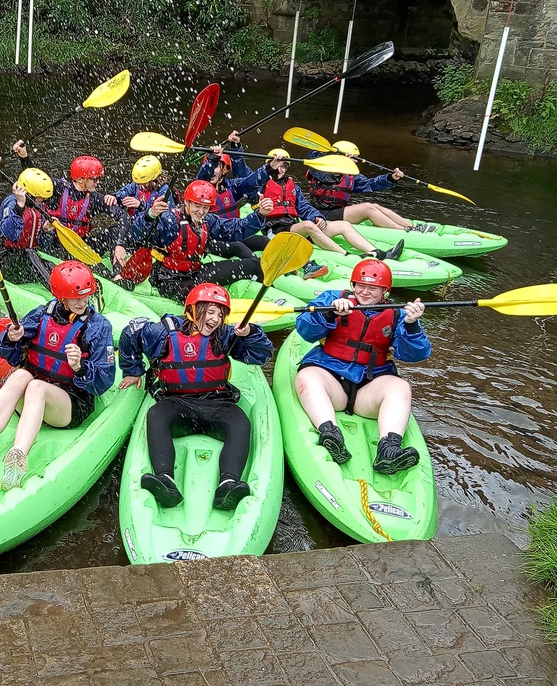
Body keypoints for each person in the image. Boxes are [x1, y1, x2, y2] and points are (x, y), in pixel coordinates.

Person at [0, 261, 116, 491]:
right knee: (19, 376)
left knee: (36, 387)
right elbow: (11, 355)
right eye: (76, 298)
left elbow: (104, 381)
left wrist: (79, 366)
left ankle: (18, 458)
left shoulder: (98, 326)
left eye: (86, 296)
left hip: (68, 405)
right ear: (61, 297)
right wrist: (12, 337)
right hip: (32, 398)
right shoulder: (43, 314)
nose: (82, 302)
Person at [118, 283, 272, 510]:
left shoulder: (226, 336)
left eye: (220, 314)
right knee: (156, 414)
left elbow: (261, 355)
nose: (215, 319)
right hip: (176, 404)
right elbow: (131, 333)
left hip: (217, 404)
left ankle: (228, 484)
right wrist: (133, 370)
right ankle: (165, 481)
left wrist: (250, 334)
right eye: (210, 312)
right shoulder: (163, 333)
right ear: (193, 309)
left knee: (240, 421)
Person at [293, 258, 430, 474]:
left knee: (401, 387)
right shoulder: (333, 299)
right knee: (307, 377)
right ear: (353, 284)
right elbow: (305, 330)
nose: (365, 292)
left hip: (368, 388)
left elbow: (415, 354)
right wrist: (330, 313)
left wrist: (412, 326)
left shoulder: (398, 314)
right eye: (360, 285)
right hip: (331, 379)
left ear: (385, 290)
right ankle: (330, 434)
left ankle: (389, 450)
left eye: (373, 288)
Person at [256, 149, 404, 278]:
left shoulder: (293, 186)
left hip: (296, 226)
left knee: (344, 225)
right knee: (309, 225)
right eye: (278, 165)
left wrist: (316, 217)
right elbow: (243, 175)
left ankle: (378, 253)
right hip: (274, 230)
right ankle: (348, 257)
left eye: (285, 165)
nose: (281, 169)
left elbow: (305, 207)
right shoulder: (259, 184)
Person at [129, 179, 270, 300]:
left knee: (253, 264)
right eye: (197, 205)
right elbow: (137, 235)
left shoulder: (207, 221)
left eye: (205, 207)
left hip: (194, 273)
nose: (201, 212)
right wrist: (149, 215)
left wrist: (260, 214)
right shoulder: (170, 221)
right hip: (169, 279)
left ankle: (266, 294)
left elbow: (236, 229)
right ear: (186, 202)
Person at [11, 143, 129, 270]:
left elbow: (124, 216)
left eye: (99, 178)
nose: (98, 182)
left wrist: (119, 244)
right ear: (80, 180)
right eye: (94, 179)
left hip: (80, 246)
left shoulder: (96, 199)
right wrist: (24, 157)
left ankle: (118, 273)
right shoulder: (58, 189)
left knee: (114, 231)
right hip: (53, 247)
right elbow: (35, 181)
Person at [306, 141, 434, 232]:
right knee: (367, 208)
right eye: (353, 158)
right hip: (320, 214)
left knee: (374, 206)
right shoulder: (321, 171)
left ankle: (411, 226)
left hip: (335, 211)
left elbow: (369, 185)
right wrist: (336, 156)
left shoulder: (350, 175)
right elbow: (313, 158)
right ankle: (403, 230)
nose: (356, 161)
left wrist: (390, 178)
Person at [0, 168, 57, 285]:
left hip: (25, 257)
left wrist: (46, 231)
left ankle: (60, 283)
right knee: (29, 253)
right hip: (6, 258)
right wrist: (19, 206)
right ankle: (55, 289)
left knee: (50, 266)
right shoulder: (11, 203)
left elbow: (42, 243)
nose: (43, 199)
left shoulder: (37, 206)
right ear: (29, 194)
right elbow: (10, 233)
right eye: (40, 196)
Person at [115, 156, 168, 220]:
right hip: (134, 222)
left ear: (155, 179)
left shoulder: (164, 190)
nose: (141, 186)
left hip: (148, 225)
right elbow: (125, 191)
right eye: (139, 184)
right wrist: (115, 197)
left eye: (144, 183)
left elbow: (163, 218)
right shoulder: (139, 183)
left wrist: (141, 206)